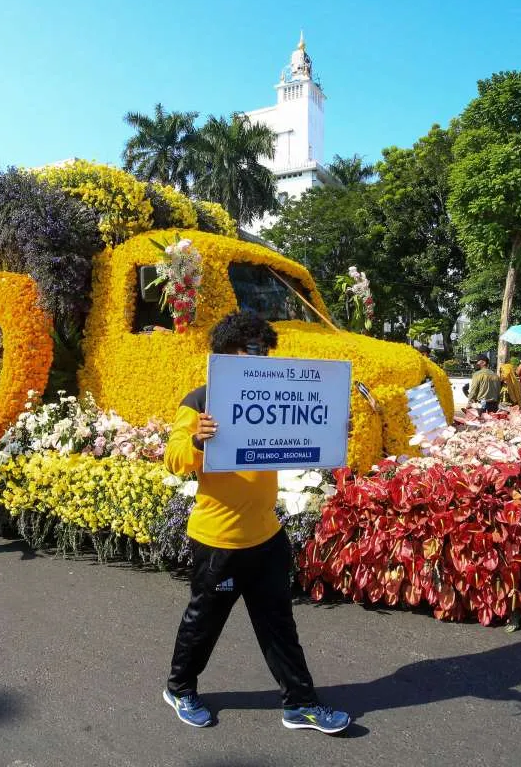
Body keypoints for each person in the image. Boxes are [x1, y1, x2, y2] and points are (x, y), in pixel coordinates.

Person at [162, 311, 350, 735]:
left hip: (266, 536)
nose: (260, 356)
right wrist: (197, 440)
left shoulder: (276, 393)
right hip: (218, 541)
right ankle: (180, 688)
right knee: (203, 624)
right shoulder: (200, 401)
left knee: (279, 625)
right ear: (227, 353)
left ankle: (300, 704)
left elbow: (306, 433)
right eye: (251, 349)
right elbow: (173, 459)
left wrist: (332, 428)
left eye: (264, 350)